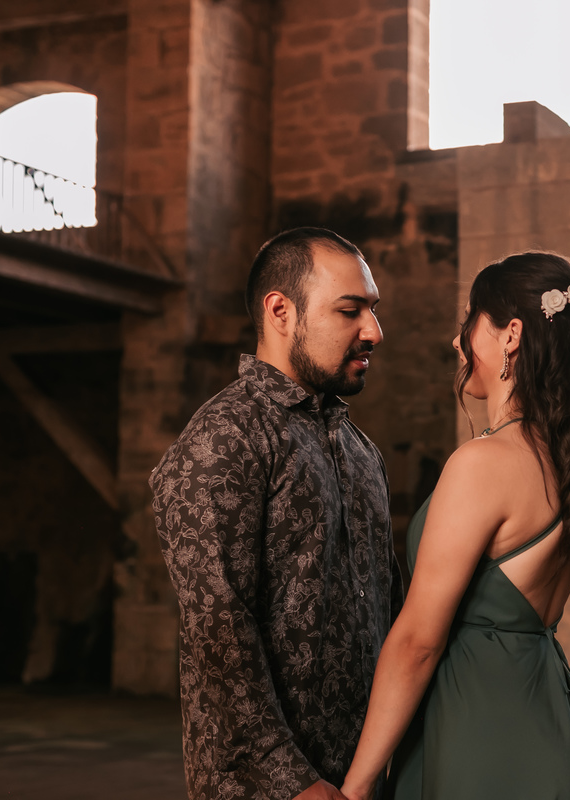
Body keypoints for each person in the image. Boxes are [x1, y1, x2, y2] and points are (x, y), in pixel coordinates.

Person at [340, 251, 570, 800]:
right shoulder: (569, 462)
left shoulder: (483, 463)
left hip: (487, 749)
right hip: (563, 740)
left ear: (511, 335)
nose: (457, 341)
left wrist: (355, 787)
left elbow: (418, 642)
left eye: (470, 320)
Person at [149, 227, 402, 800]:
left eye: (373, 309)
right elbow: (218, 633)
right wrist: (296, 783)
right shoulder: (223, 439)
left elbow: (389, 611)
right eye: (350, 310)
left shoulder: (361, 452)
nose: (373, 331)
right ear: (281, 311)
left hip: (366, 779)